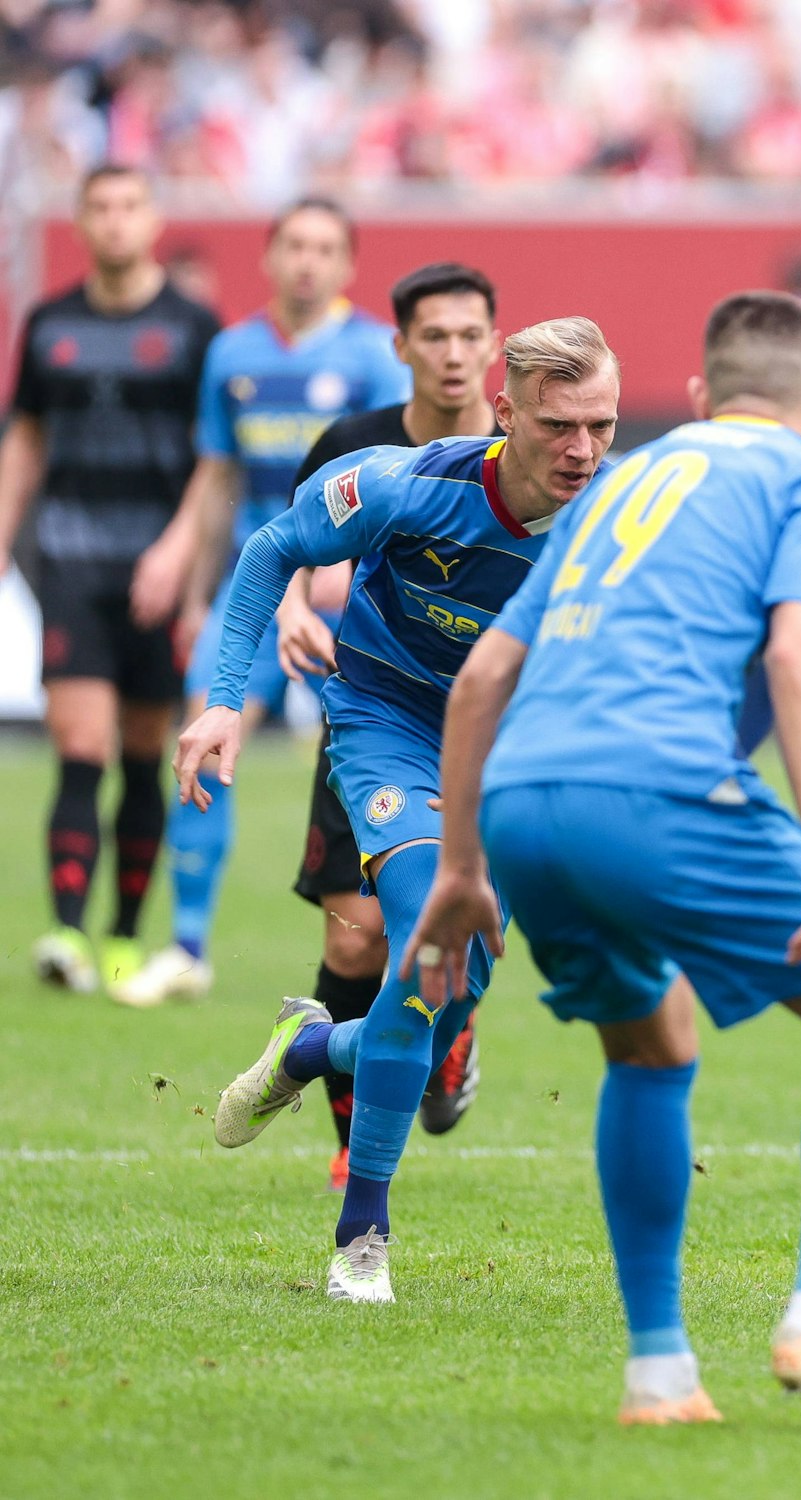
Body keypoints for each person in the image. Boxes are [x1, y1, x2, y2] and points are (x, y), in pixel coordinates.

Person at [404, 292, 801, 1427]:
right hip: (656, 789)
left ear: (700, 396)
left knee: (650, 1044)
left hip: (521, 807)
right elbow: (798, 653)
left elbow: (482, 678)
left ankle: (659, 1377)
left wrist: (459, 870)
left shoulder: (614, 485)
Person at [175, 318, 618, 1304]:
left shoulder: (621, 522)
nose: (582, 449)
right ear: (506, 414)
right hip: (391, 726)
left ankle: (309, 1046)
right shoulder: (406, 483)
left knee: (447, 991)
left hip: (513, 755)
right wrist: (223, 701)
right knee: (426, 941)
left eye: (602, 425)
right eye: (558, 425)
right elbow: (272, 549)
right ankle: (361, 1238)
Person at [119, 197, 409, 1008]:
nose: (308, 261)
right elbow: (217, 476)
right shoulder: (232, 353)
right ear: (270, 257)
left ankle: (396, 946)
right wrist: (190, 576)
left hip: (346, 592)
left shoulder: (374, 354)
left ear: (347, 264)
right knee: (205, 735)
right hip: (254, 585)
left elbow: (395, 483)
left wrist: (344, 571)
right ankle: (187, 946)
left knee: (379, 758)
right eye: (295, 246)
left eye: (324, 248)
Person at [275, 262, 504, 1190]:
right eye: (434, 336)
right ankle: (351, 1142)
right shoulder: (353, 444)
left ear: (494, 345)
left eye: (470, 335)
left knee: (454, 938)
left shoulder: (529, 453)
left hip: (486, 728)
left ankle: (452, 1032)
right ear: (401, 345)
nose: (453, 354)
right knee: (353, 941)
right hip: (373, 708)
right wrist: (295, 606)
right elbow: (293, 546)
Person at [0, 166, 218, 998]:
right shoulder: (50, 323)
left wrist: (179, 553)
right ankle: (66, 933)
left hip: (159, 566)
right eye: (100, 207)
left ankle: (124, 935)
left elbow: (216, 457)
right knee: (81, 747)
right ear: (82, 221)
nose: (116, 221)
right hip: (71, 557)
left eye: (130, 206)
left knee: (142, 751)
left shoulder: (194, 328)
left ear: (152, 219)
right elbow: (26, 436)